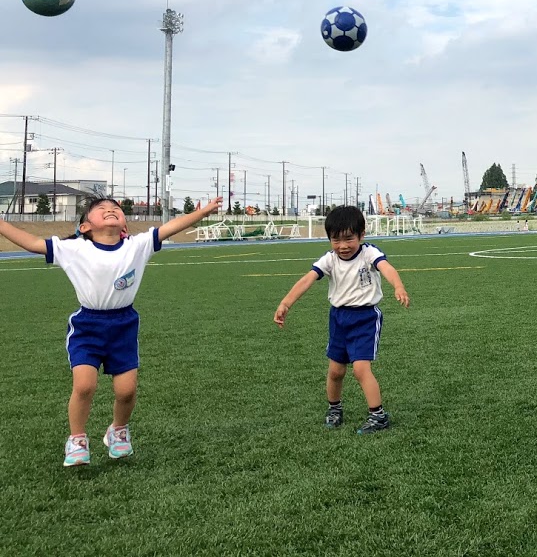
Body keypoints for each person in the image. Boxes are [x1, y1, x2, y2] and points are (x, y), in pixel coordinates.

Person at [0, 195, 225, 467]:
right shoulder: (73, 249)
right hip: (88, 327)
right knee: (84, 386)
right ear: (85, 227)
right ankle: (77, 439)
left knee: (127, 391)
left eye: (115, 209)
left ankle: (118, 430)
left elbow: (171, 227)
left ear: (124, 225)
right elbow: (31, 242)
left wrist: (201, 214)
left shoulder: (137, 246)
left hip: (124, 326)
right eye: (101, 209)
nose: (110, 210)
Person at [273, 205, 409, 434]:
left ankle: (378, 416)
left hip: (365, 317)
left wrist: (398, 286)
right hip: (338, 318)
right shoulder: (329, 259)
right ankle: (334, 409)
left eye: (348, 239)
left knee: (360, 369)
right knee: (336, 370)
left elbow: (386, 268)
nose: (343, 246)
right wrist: (286, 302)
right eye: (335, 240)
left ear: (361, 235)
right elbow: (307, 279)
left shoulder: (369, 253)